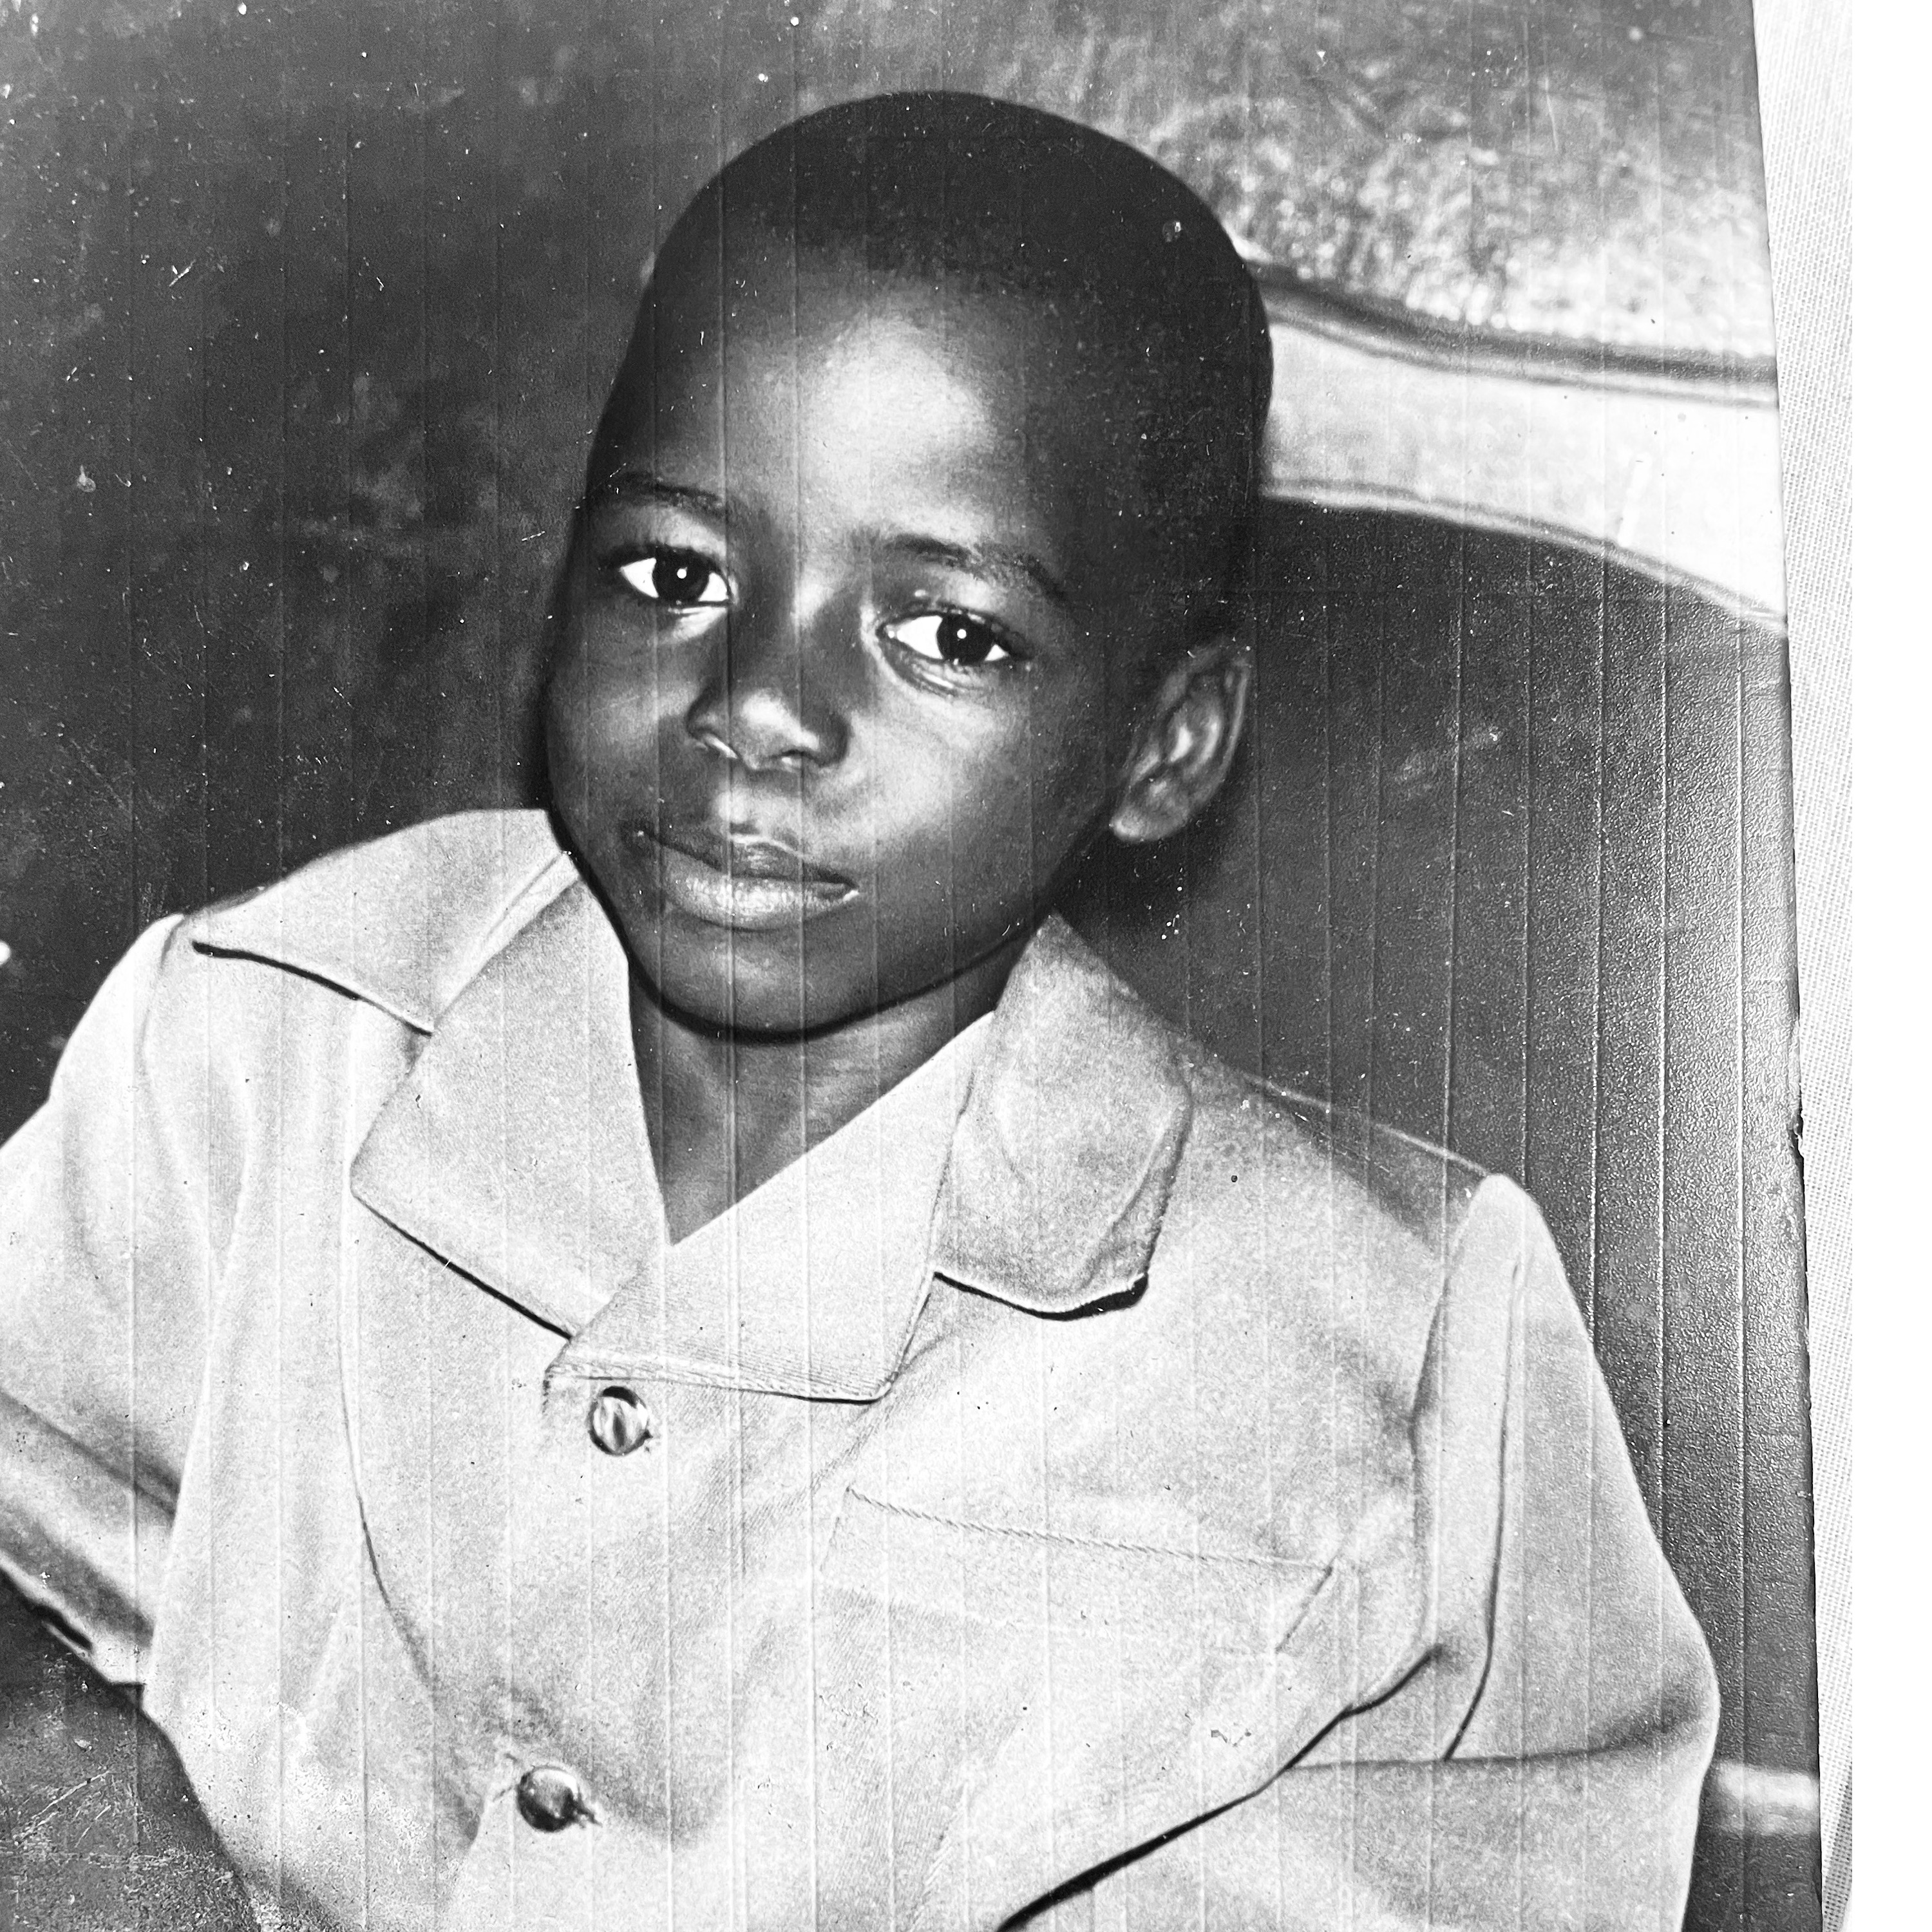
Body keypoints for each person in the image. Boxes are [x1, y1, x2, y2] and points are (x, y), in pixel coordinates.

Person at [0, 91, 1716, 1930]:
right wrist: (108, 1846)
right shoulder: (255, 1050)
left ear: (1167, 743)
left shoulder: (1396, 1346)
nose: (758, 704)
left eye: (949, 633)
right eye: (676, 575)